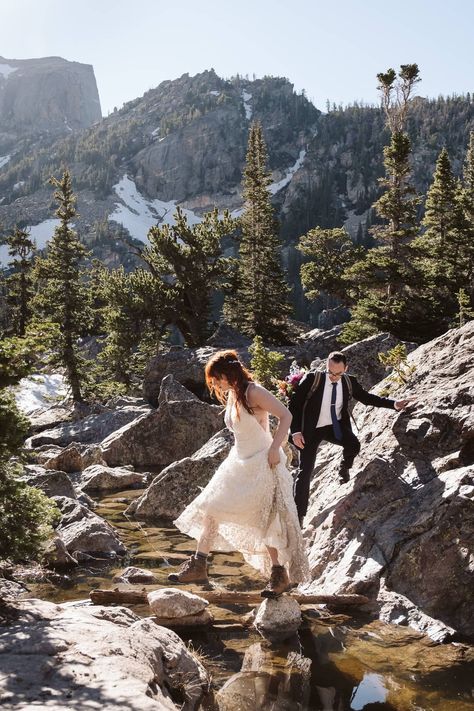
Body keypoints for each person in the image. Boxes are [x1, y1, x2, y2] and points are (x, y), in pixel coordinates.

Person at [168, 349, 309, 597]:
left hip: (264, 460)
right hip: (239, 460)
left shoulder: (253, 391)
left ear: (228, 374)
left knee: (266, 517)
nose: (215, 384)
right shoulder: (233, 394)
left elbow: (286, 416)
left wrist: (276, 448)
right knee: (212, 508)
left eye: (216, 378)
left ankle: (279, 576)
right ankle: (198, 565)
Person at [289, 351, 413, 525]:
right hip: (311, 430)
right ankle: (298, 516)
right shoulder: (313, 379)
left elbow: (367, 398)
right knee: (305, 471)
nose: (333, 377)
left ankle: (344, 467)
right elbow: (294, 405)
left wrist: (393, 404)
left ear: (345, 369)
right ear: (327, 367)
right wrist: (295, 432)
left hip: (334, 427)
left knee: (353, 445)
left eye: (338, 373)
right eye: (330, 372)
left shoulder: (349, 381)